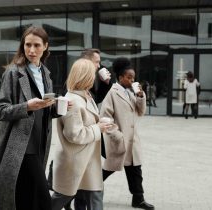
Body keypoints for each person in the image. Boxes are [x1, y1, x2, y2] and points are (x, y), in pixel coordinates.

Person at [0, 26, 58, 210]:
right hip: (19, 146)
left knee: (25, 198)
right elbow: (0, 111)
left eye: (36, 45)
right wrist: (26, 107)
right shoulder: (13, 73)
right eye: (28, 45)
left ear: (45, 46)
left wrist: (58, 108)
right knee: (43, 200)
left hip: (40, 142)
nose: (32, 50)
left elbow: (45, 109)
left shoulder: (45, 73)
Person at [51, 58, 112, 210]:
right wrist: (98, 128)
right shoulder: (73, 101)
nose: (95, 77)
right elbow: (74, 134)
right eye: (92, 74)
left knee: (94, 197)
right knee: (61, 198)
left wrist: (100, 124)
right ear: (86, 76)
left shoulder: (85, 95)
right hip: (75, 161)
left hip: (87, 160)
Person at [100, 57, 154, 210]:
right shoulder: (112, 93)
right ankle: (83, 191)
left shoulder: (130, 93)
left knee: (136, 171)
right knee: (107, 170)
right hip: (119, 141)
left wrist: (141, 96)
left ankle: (138, 198)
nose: (132, 80)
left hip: (132, 142)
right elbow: (104, 117)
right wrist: (117, 135)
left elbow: (140, 111)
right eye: (129, 77)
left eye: (134, 78)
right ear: (121, 77)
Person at [72, 48, 113, 210]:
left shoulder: (92, 77)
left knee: (88, 185)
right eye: (97, 62)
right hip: (83, 141)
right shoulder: (77, 78)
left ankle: (75, 201)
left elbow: (96, 98)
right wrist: (97, 126)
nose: (99, 65)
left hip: (91, 139)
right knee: (89, 187)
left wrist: (105, 83)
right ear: (87, 61)